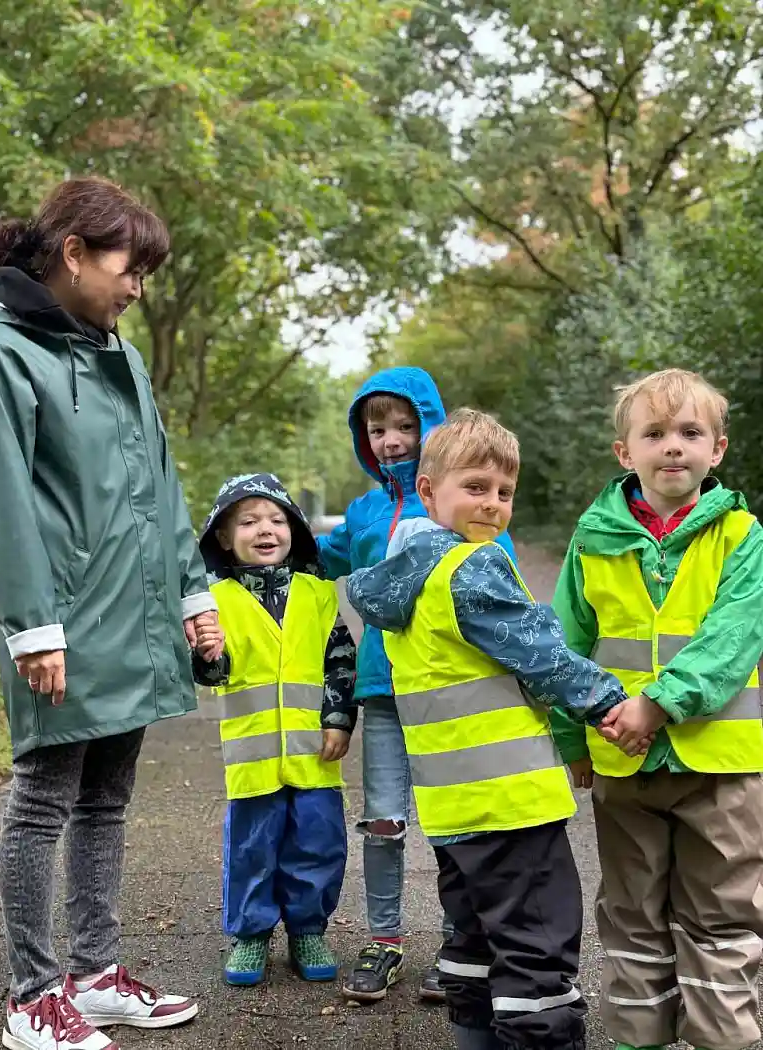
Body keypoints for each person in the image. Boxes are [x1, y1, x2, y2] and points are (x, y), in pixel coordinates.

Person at [0, 177, 224, 1050]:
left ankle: (96, 976)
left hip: (134, 618)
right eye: (129, 266)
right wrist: (31, 626)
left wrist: (192, 592)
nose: (137, 286)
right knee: (41, 802)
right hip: (61, 625)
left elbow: (161, 487)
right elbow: (2, 507)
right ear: (73, 253)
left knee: (107, 802)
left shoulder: (122, 357)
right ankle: (33, 997)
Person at [345, 408, 628, 1050]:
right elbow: (546, 658)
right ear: (427, 491)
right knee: (536, 953)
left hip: (451, 811)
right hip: (510, 806)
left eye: (504, 493)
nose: (493, 505)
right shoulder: (471, 569)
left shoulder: (405, 582)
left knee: (472, 944)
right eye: (475, 487)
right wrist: (610, 707)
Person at [551, 368, 763, 1050]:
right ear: (625, 453)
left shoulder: (743, 536)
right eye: (655, 434)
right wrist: (571, 741)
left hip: (723, 770)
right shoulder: (593, 539)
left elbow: (732, 639)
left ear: (718, 450)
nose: (673, 446)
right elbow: (565, 643)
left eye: (690, 433)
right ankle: (637, 1039)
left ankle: (724, 1040)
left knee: (723, 919)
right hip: (625, 768)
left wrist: (660, 703)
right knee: (632, 917)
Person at [318, 368, 518, 1003]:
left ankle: (464, 942)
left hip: (450, 691)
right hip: (381, 688)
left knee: (451, 819)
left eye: (405, 426)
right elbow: (322, 557)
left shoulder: (465, 503)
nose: (391, 440)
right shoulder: (365, 510)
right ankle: (384, 938)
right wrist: (257, 528)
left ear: (429, 427)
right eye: (377, 429)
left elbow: (503, 583)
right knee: (382, 819)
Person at [193, 473, 357, 986]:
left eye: (276, 519)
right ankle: (251, 935)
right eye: (248, 521)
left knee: (317, 843)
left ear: (295, 530)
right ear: (224, 537)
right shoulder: (216, 600)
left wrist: (338, 718)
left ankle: (308, 928)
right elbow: (211, 674)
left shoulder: (317, 592)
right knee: (251, 848)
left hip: (315, 754)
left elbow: (340, 659)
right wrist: (207, 655)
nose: (265, 529)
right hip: (254, 759)